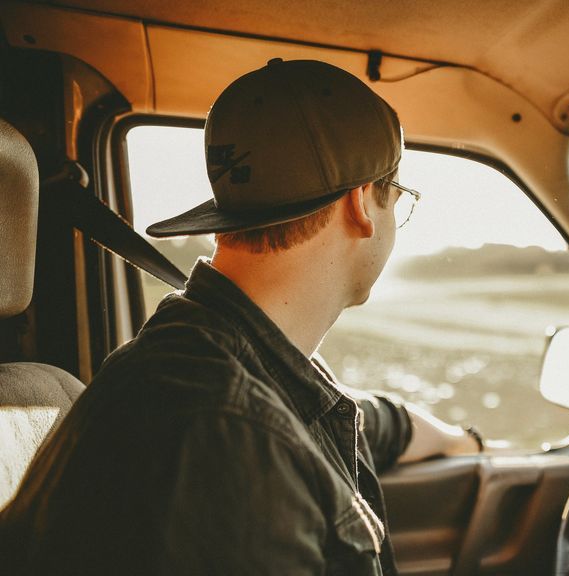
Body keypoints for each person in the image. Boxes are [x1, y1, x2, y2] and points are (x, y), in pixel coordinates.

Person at [0, 58, 479, 575]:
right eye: (398, 199)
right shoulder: (227, 441)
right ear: (362, 202)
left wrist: (459, 441)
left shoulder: (215, 355)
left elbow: (349, 418)